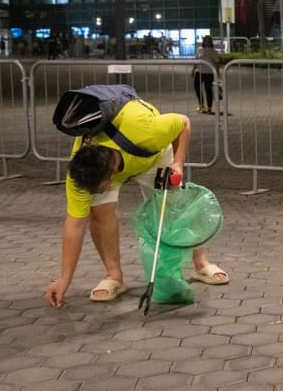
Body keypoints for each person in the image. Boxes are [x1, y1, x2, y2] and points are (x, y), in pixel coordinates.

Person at [46, 100, 228, 307]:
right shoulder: (81, 173)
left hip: (151, 155)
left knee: (173, 209)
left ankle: (200, 263)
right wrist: (64, 279)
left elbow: (184, 123)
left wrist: (178, 163)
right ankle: (114, 276)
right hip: (117, 157)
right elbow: (75, 225)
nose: (96, 192)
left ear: (114, 174)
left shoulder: (147, 133)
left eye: (99, 188)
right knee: (99, 212)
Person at [192, 35, 220, 114]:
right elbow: (196, 60)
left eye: (208, 40)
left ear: (211, 42)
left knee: (208, 90)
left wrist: (217, 73)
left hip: (209, 73)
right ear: (203, 42)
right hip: (199, 72)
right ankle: (201, 105)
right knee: (196, 87)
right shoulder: (200, 49)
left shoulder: (213, 51)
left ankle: (209, 107)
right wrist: (193, 70)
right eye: (205, 40)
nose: (207, 42)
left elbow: (217, 63)